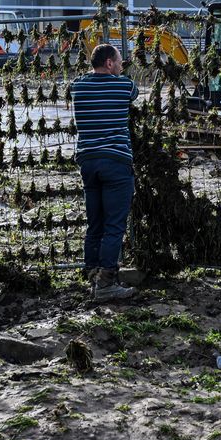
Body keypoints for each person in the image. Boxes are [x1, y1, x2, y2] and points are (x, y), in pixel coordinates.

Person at [73, 43, 139, 302]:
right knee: (114, 225)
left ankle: (92, 276)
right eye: (119, 60)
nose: (122, 65)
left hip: (88, 162)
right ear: (109, 63)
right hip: (115, 161)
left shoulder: (77, 86)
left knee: (95, 223)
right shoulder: (123, 85)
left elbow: (80, 82)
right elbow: (133, 93)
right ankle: (106, 285)